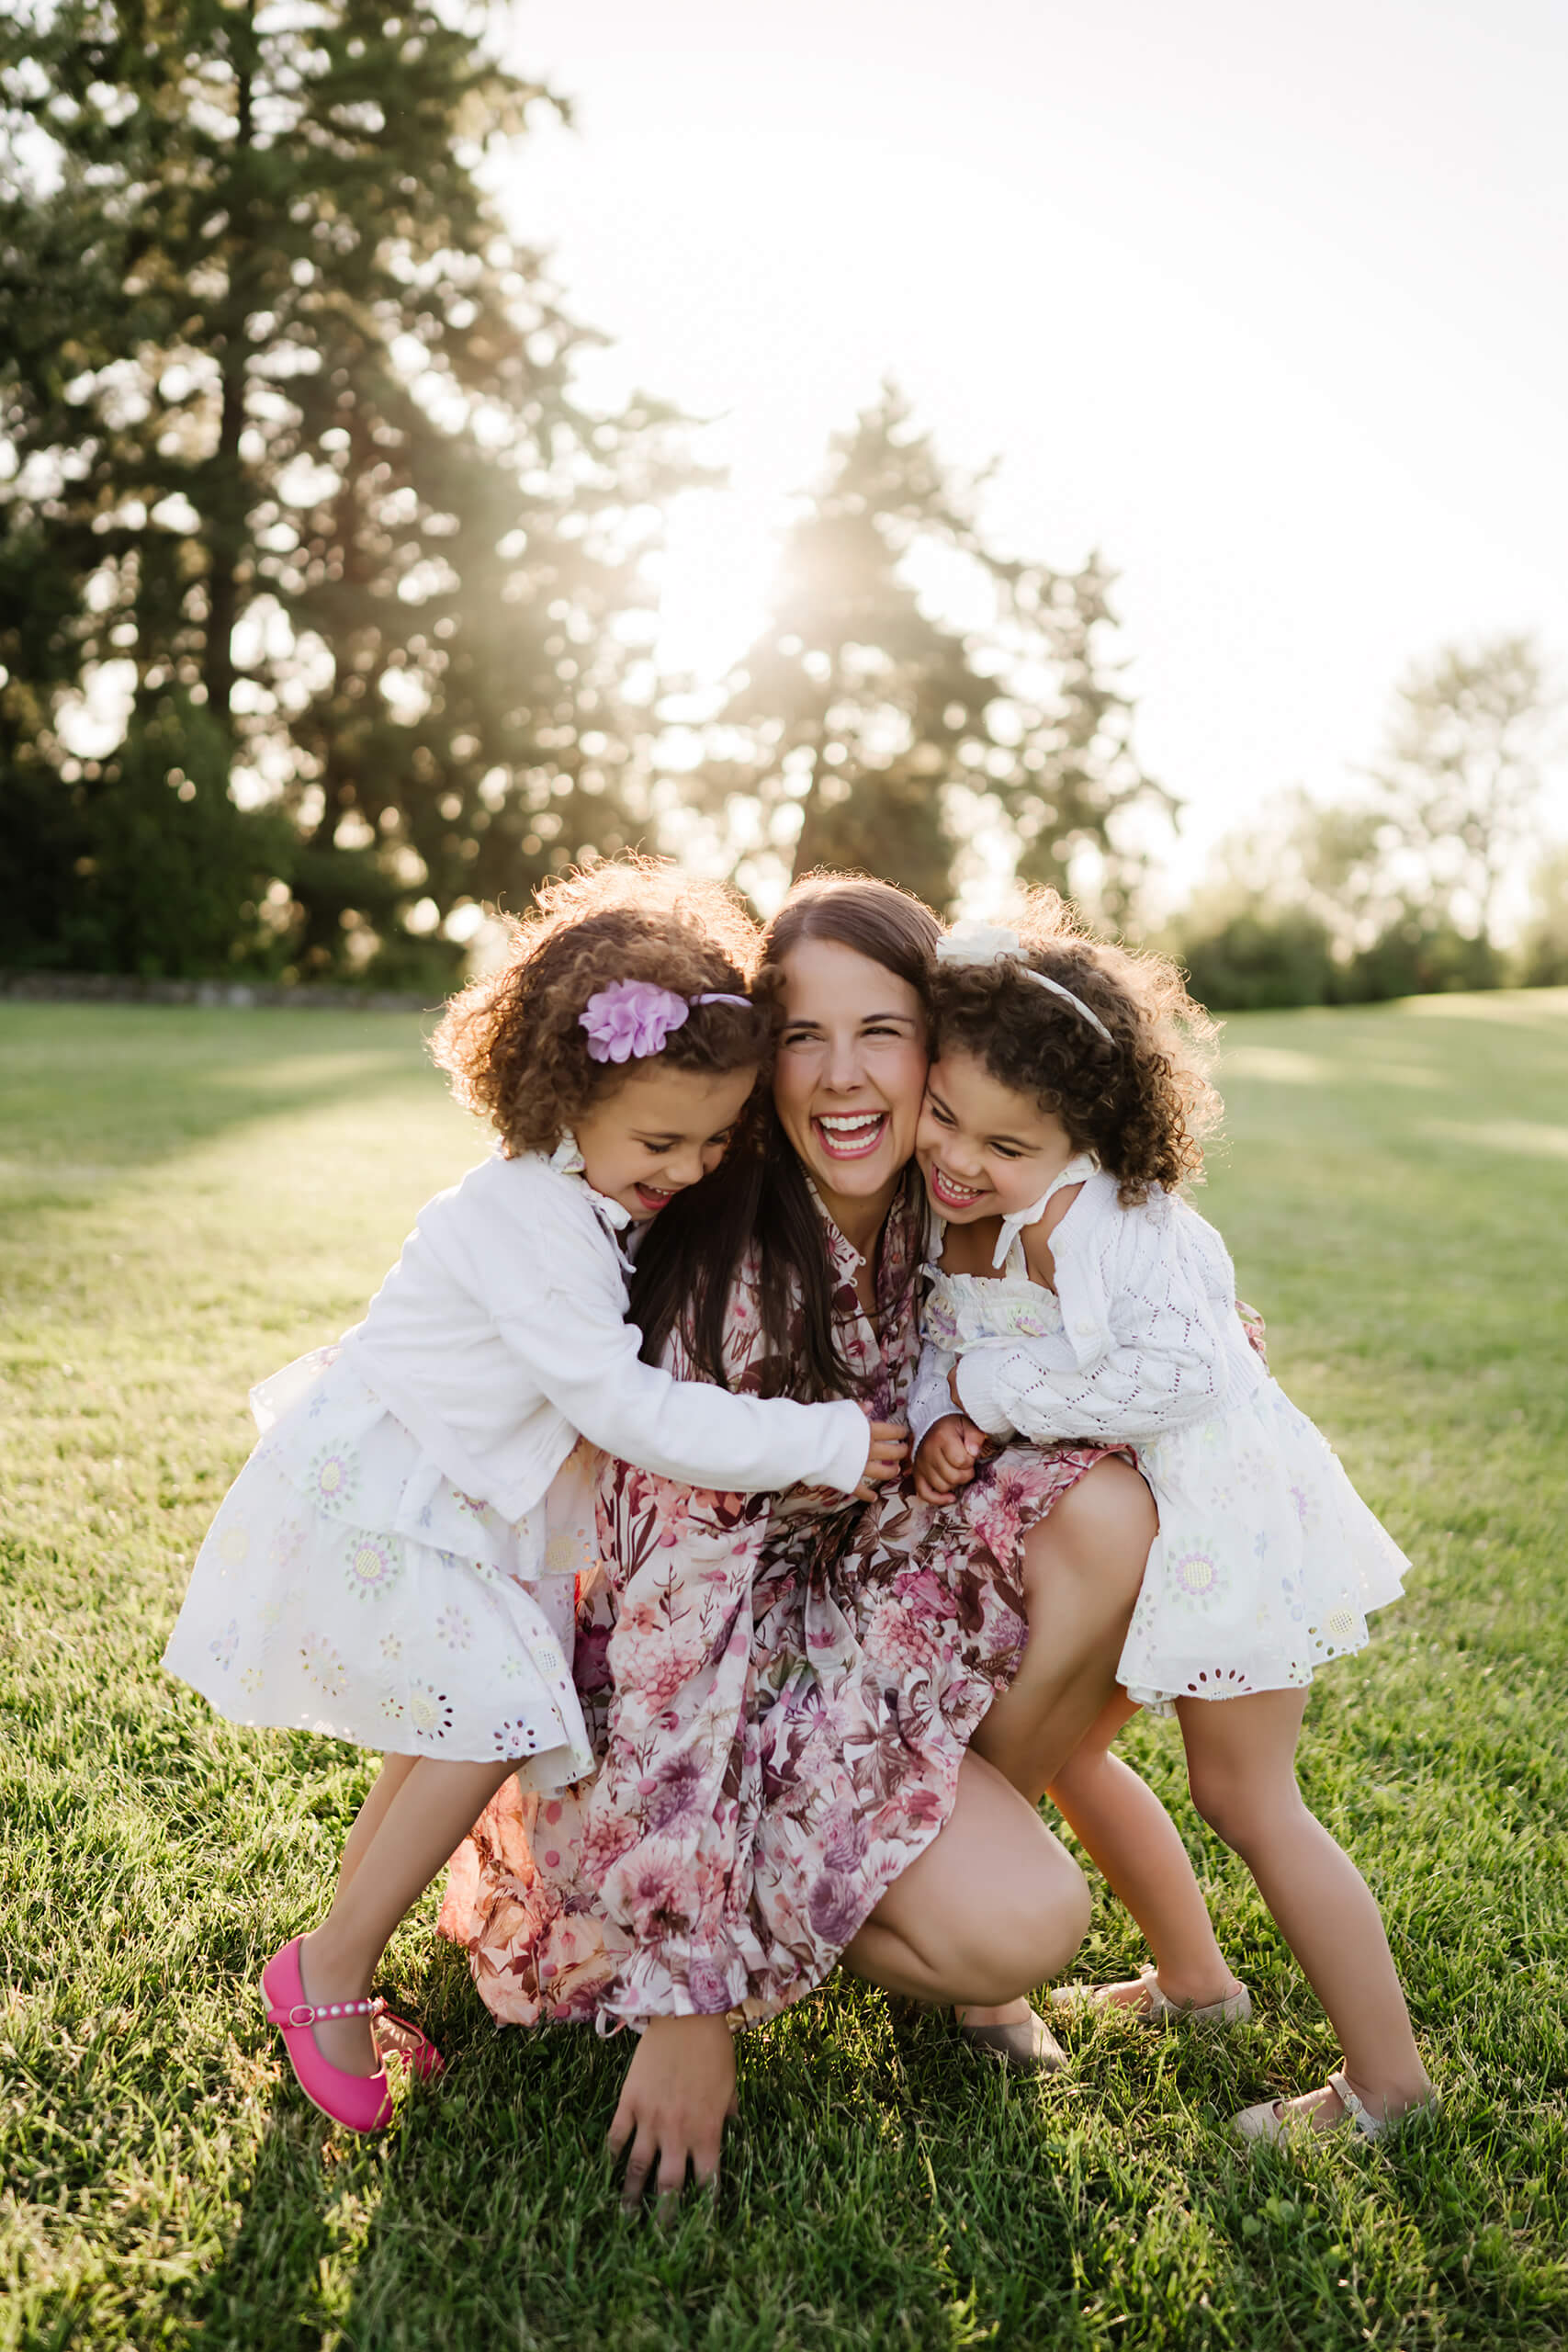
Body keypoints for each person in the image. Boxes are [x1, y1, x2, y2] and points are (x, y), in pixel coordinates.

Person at [443, 876, 1167, 2208]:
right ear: (760, 1054)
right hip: (704, 1697)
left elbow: (1108, 1301)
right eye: (803, 1035)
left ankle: (901, 1872)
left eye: (881, 1031)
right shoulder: (728, 1268)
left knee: (1109, 1511)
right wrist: (688, 2003)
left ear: (937, 1046)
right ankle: (766, 1924)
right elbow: (680, 1634)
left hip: (856, 1637)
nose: (842, 1076)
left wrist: (1197, 1361)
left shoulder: (947, 1205)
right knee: (1028, 1927)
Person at [164, 862, 907, 2134]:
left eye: (717, 1138)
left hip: (466, 1502)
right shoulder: (527, 1216)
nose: (690, 1167)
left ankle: (338, 1959)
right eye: (662, 1142)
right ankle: (329, 1968)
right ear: (569, 1096)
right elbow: (626, 1409)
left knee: (457, 1722)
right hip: (401, 1495)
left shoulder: (588, 1197)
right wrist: (821, 1439)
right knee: (491, 1716)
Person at [908, 899, 1437, 2143]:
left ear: (1086, 1139)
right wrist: (948, 1403)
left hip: (1227, 1532)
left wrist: (989, 1398)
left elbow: (1184, 1376)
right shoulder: (987, 1222)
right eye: (945, 1118)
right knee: (1079, 1755)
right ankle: (1197, 1989)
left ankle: (1390, 2086)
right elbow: (950, 1344)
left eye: (1008, 1142)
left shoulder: (1118, 1223)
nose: (964, 1158)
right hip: (1161, 1537)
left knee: (1249, 1798)